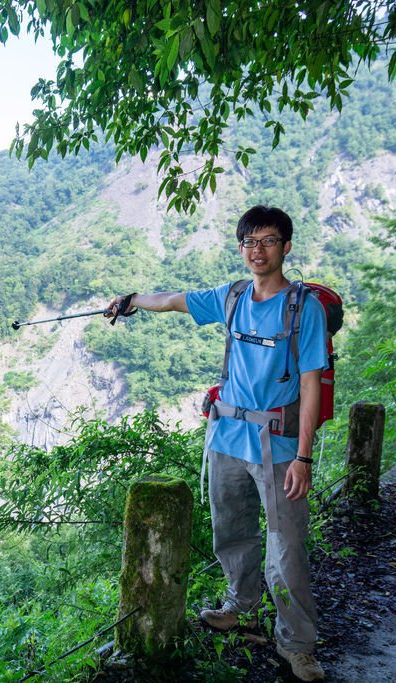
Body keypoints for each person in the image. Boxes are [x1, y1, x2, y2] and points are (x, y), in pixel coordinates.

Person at [105, 205, 327, 682]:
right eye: (249, 242)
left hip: (279, 443)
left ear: (286, 247)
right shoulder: (232, 297)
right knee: (232, 532)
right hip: (226, 436)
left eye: (268, 241)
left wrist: (304, 455)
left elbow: (311, 384)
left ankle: (298, 644)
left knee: (286, 547)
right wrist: (132, 299)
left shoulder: (303, 308)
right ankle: (241, 607)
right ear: (241, 248)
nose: (257, 250)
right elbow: (174, 300)